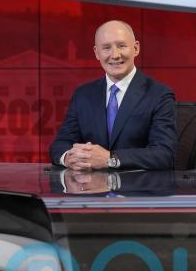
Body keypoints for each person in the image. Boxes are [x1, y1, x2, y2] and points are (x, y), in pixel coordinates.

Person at [49, 20, 176, 170]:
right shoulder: (83, 95)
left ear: (135, 48)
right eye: (106, 48)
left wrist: (111, 159)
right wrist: (69, 157)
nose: (115, 55)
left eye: (121, 46)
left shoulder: (159, 95)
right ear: (97, 53)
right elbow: (60, 145)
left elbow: (164, 154)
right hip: (90, 184)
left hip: (137, 184)